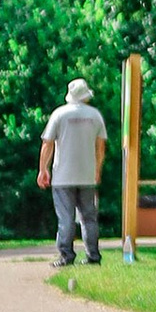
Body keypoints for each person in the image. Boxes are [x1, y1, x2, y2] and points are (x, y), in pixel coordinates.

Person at [39, 77, 107, 268]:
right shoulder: (95, 116)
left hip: (62, 176)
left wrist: (43, 169)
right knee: (89, 217)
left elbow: (48, 143)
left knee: (66, 218)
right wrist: (97, 170)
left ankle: (66, 255)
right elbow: (100, 147)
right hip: (87, 175)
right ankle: (93, 256)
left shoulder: (59, 114)